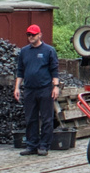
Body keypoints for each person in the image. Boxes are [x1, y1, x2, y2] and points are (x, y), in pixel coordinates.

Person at [13, 24, 60, 156]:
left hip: (45, 89)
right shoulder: (24, 51)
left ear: (40, 35)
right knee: (30, 118)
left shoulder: (49, 50)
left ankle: (44, 145)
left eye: (33, 35)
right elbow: (20, 71)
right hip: (29, 89)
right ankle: (31, 145)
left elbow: (54, 70)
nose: (31, 37)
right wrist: (17, 87)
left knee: (46, 118)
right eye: (28, 35)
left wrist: (56, 87)